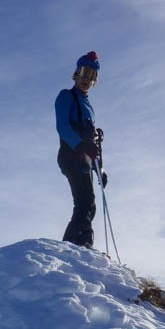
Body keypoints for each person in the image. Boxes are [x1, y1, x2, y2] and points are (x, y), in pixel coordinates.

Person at [55, 51, 108, 248]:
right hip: (70, 153)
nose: (87, 79)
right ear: (76, 74)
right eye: (84, 72)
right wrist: (81, 144)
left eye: (92, 75)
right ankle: (82, 242)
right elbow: (62, 127)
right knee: (85, 200)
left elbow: (91, 143)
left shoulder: (88, 105)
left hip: (83, 157)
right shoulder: (66, 96)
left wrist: (99, 169)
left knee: (89, 203)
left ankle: (72, 245)